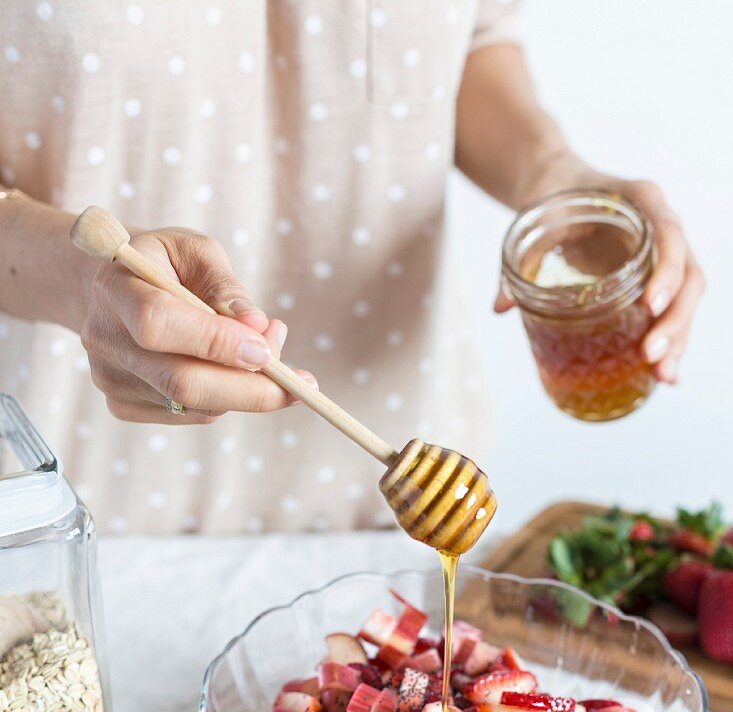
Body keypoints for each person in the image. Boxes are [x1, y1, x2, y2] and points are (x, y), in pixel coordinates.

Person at [0, 2, 703, 535]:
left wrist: (552, 174)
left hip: (395, 520)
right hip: (67, 529)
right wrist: (79, 278)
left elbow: (473, 39)